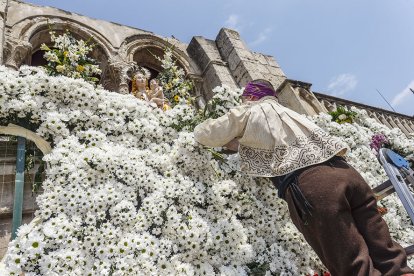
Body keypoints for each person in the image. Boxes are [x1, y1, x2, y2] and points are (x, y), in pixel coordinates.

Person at [193, 79, 414, 276]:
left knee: (354, 267)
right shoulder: (291, 113)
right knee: (390, 256)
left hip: (315, 186)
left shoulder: (250, 111)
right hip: (349, 174)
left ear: (250, 97)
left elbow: (207, 134)